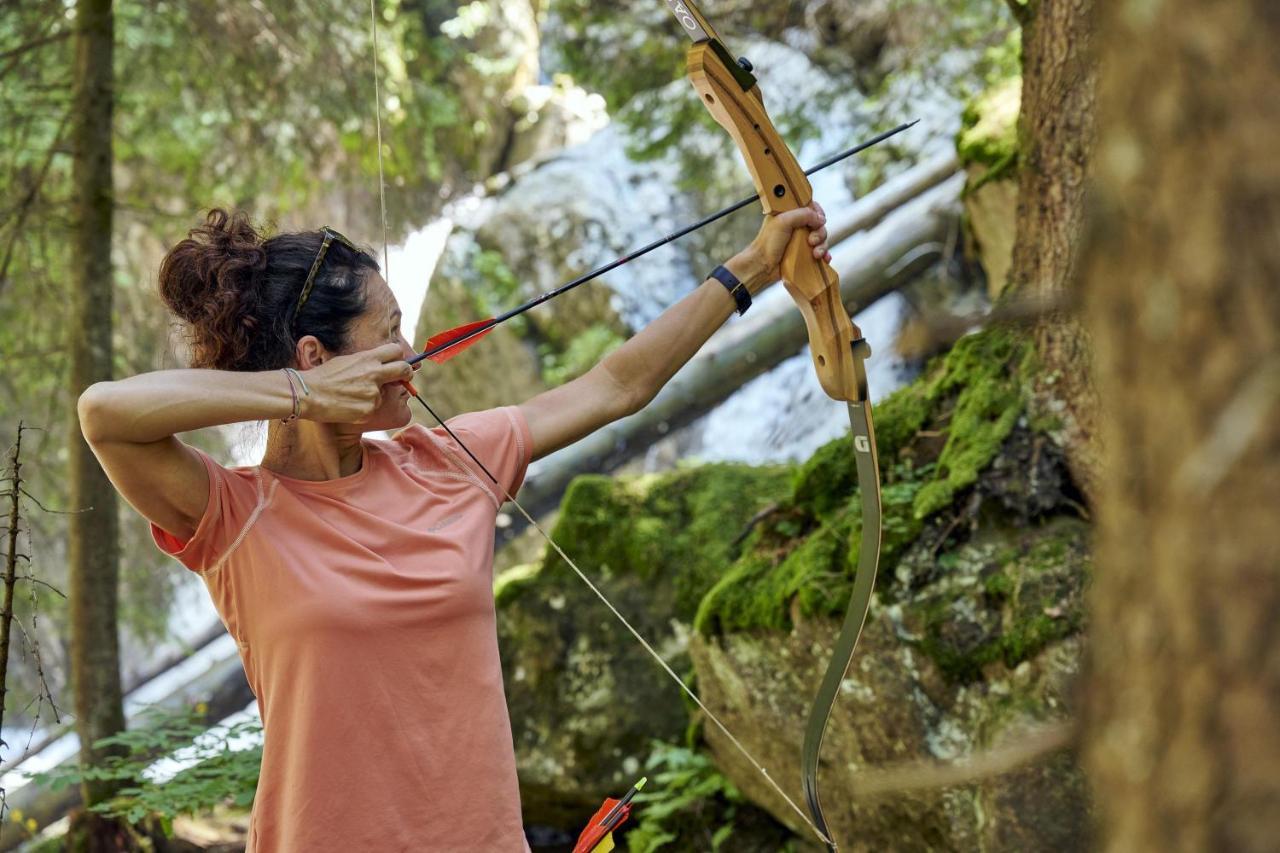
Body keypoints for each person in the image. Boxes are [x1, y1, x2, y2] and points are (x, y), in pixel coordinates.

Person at [77, 203, 831, 851]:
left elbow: (617, 383)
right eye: (391, 332)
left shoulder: (449, 461)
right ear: (317, 357)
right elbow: (104, 413)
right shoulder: (230, 515)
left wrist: (754, 267)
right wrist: (299, 394)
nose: (413, 354)